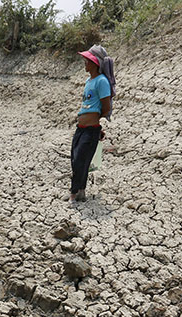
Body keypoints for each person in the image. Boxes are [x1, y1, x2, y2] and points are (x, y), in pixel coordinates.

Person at [70, 45, 113, 202]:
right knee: (76, 159)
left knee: (81, 160)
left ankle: (74, 193)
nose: (85, 63)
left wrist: (95, 121)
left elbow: (106, 107)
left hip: (91, 129)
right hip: (81, 128)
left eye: (87, 60)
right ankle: (80, 191)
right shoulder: (89, 81)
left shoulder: (101, 81)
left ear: (96, 63)